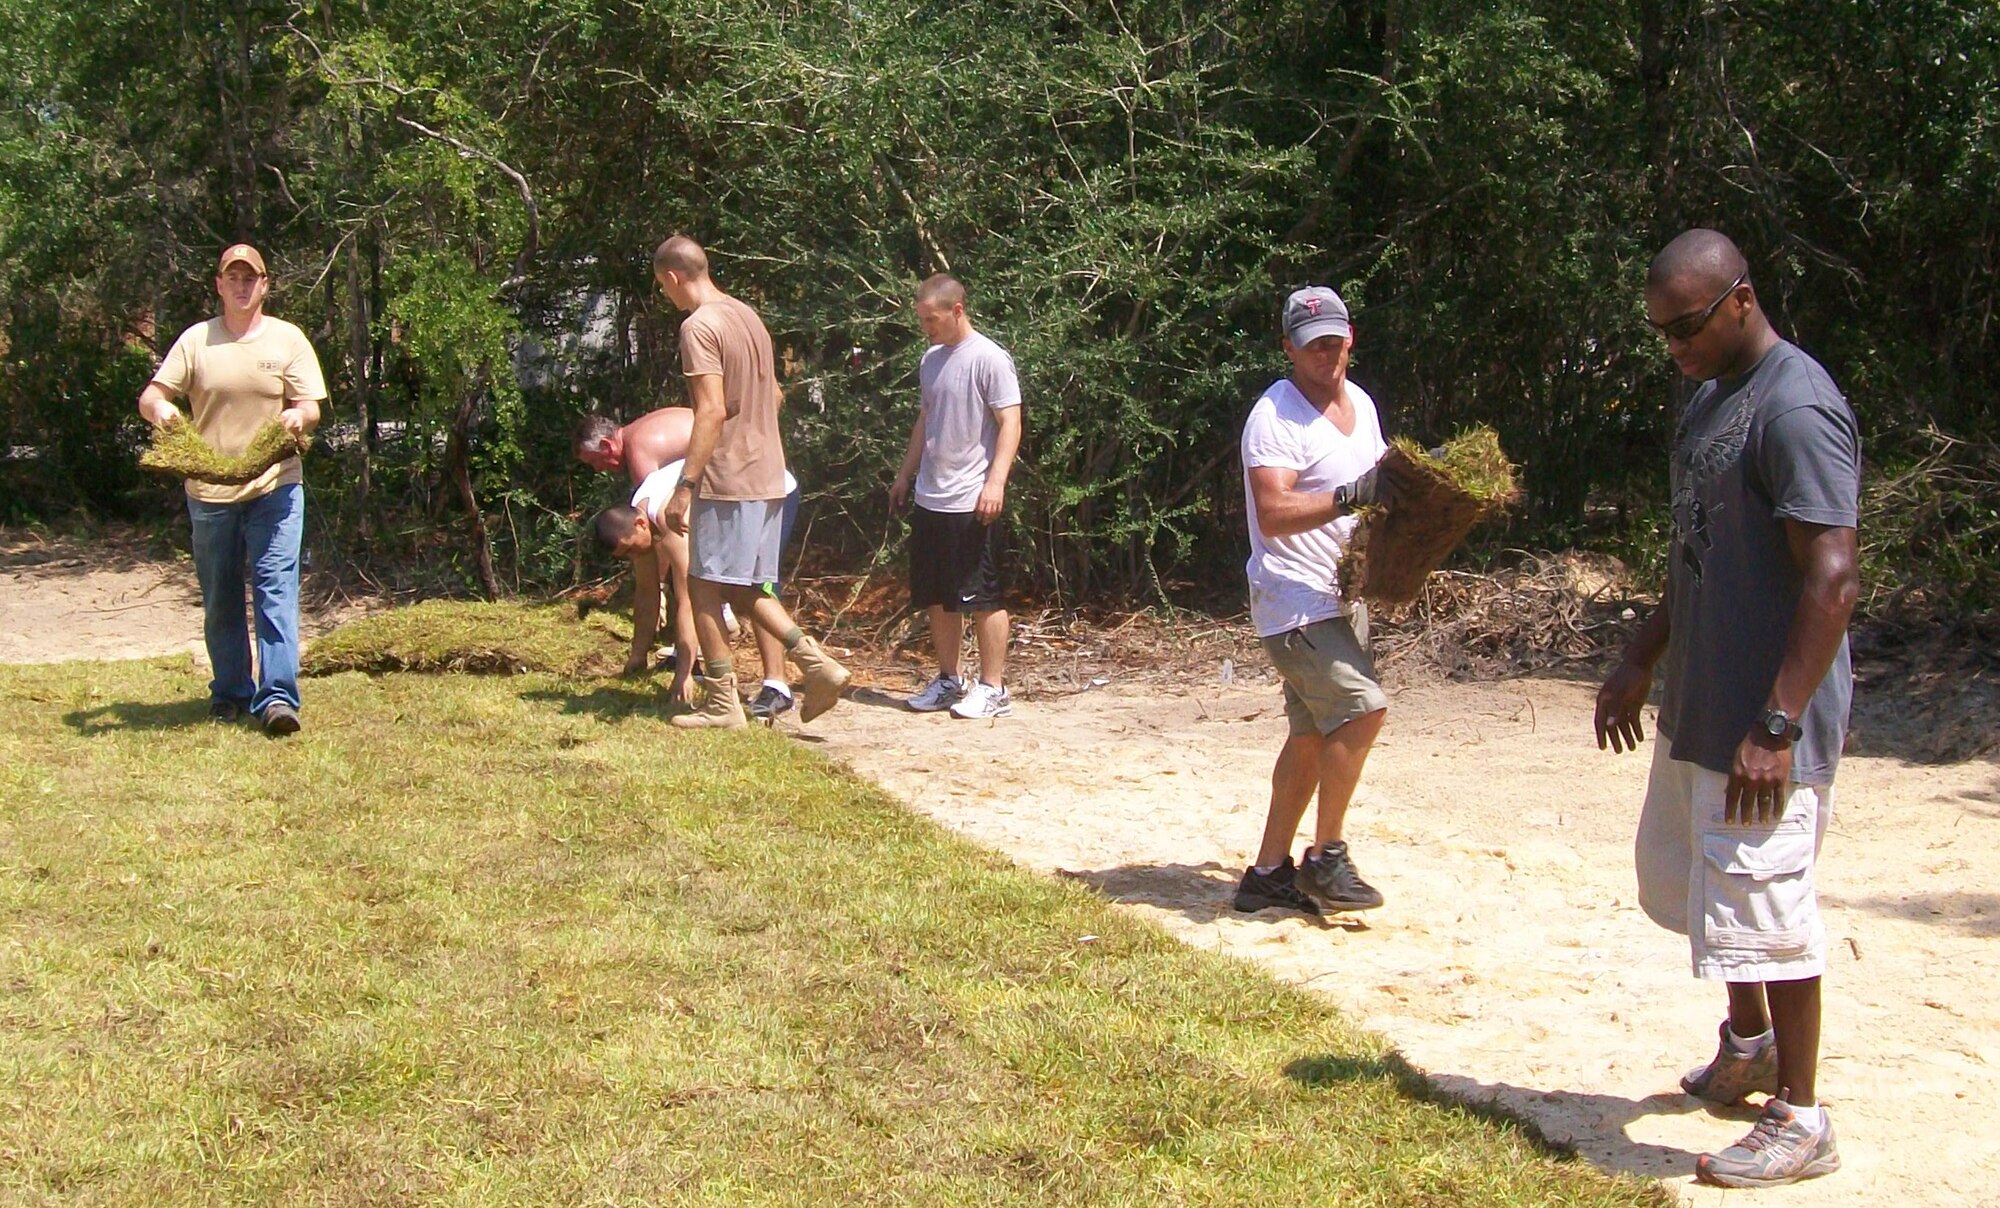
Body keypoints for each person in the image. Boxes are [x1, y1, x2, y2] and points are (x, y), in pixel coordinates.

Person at [1596, 228, 1860, 1189]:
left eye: (1688, 327)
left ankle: (1803, 1115)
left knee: (1770, 910)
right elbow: (1698, 549)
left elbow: (1832, 576)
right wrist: (1640, 655)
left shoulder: (1795, 409)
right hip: (1703, 705)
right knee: (1704, 891)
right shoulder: (1711, 400)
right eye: (1663, 333)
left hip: (1765, 725)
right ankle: (1747, 1047)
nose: (1676, 349)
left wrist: (1777, 725)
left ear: (1741, 299)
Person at [1231, 286, 1394, 917]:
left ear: (1350, 336)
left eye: (1335, 340)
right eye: (1312, 345)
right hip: (1292, 600)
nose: (1326, 353)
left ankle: (1268, 874)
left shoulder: (1362, 404)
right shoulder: (1273, 417)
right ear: (1289, 349)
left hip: (1341, 596)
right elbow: (1273, 512)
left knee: (1310, 735)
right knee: (1361, 709)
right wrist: (1353, 495)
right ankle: (1326, 857)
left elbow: (1381, 492)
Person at [647, 235, 848, 728]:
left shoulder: (699, 326)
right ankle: (815, 664)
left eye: (662, 288)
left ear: (672, 278)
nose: (666, 297)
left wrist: (685, 486)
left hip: (727, 477)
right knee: (743, 585)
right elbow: (773, 395)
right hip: (770, 473)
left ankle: (722, 704)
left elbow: (711, 409)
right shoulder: (747, 316)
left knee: (701, 583)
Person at [136, 243, 325, 737]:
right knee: (220, 596)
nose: (242, 285)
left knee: (275, 591)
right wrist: (163, 413)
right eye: (232, 277)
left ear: (265, 285)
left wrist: (296, 415)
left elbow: (312, 407)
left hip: (274, 486)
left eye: (251, 277)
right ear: (219, 285)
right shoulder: (196, 341)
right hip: (209, 491)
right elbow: (153, 396)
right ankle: (230, 692)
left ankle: (278, 698)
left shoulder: (288, 340)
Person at [577, 409, 803, 719]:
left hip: (768, 489)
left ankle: (780, 685)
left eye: (632, 549)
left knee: (757, 584)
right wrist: (636, 657)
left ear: (642, 525)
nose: (636, 556)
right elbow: (646, 591)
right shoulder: (639, 514)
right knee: (715, 586)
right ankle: (719, 675)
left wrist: (684, 673)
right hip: (729, 494)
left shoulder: (664, 514)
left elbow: (686, 599)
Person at [888, 274, 1023, 719]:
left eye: (932, 319)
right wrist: (905, 475)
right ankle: (949, 679)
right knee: (937, 595)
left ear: (958, 310)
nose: (927, 327)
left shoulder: (989, 358)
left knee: (981, 596)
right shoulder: (931, 360)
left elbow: (1010, 423)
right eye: (922, 319)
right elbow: (926, 419)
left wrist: (995, 482)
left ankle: (993, 688)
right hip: (931, 496)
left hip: (972, 498)